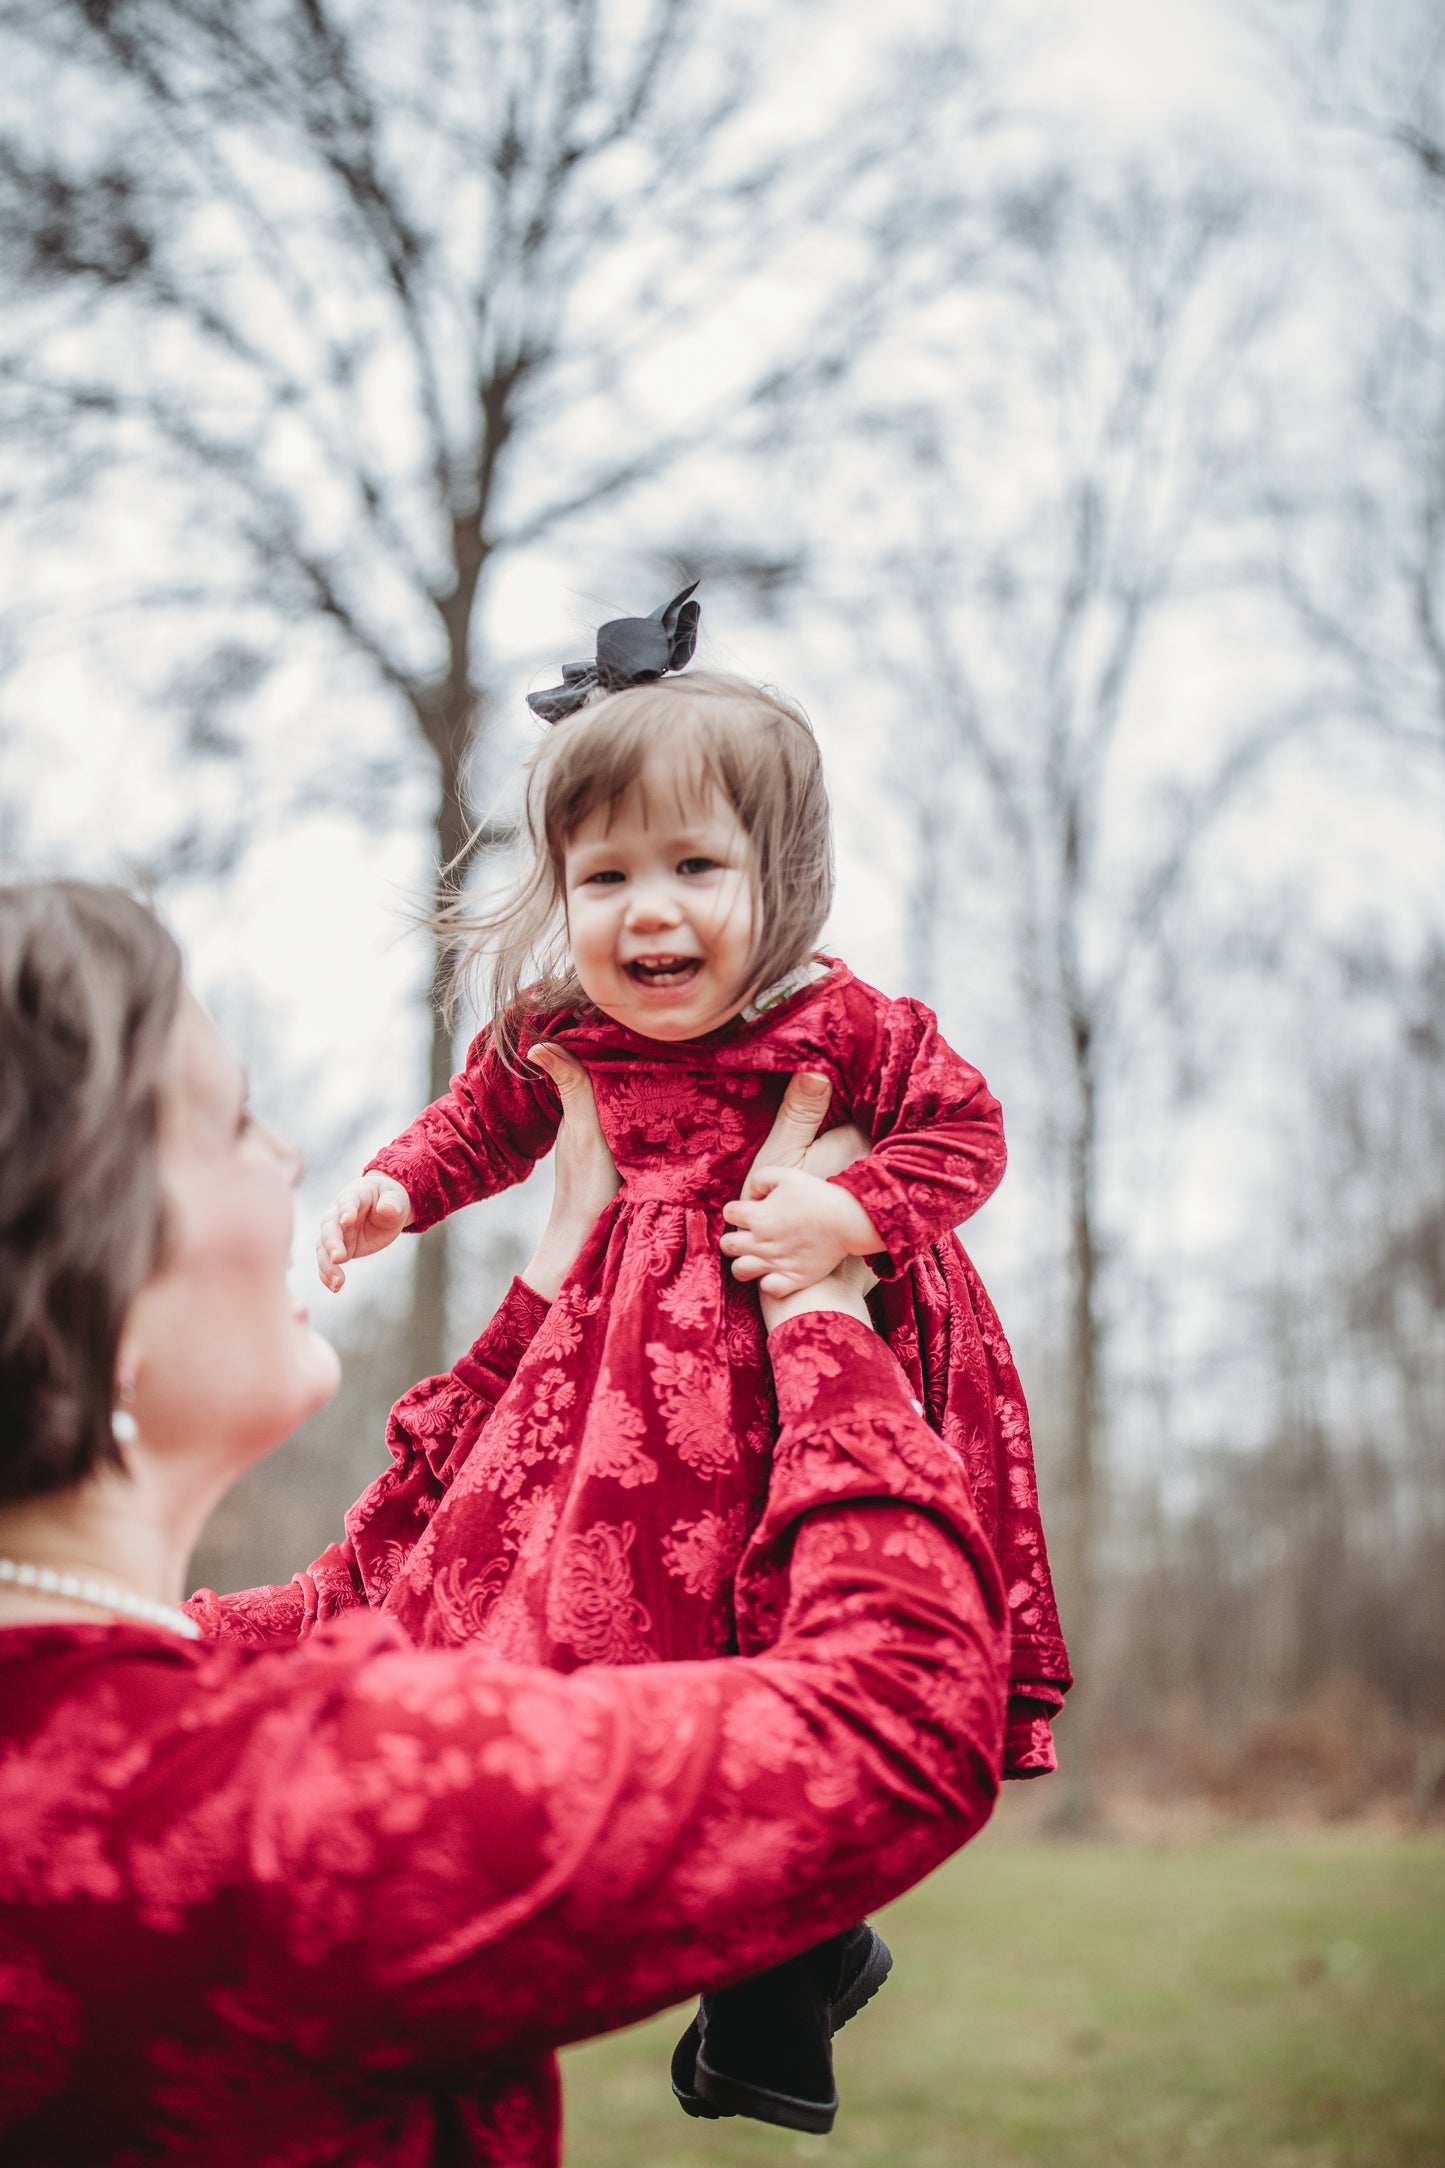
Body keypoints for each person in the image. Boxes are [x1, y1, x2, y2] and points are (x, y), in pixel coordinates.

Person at [0, 878, 1011, 2167]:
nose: (289, 1157)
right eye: (237, 1122)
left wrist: (551, 1283)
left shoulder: (112, 1702)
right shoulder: (307, 1810)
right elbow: (902, 1722)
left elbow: (374, 1592)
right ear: (94, 1280)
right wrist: (820, 1312)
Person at [314, 589, 1071, 2131]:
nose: (644, 913)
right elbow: (481, 1122)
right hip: (631, 1409)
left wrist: (848, 1213)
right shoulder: (569, 1034)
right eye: (602, 877)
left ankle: (782, 1977)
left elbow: (966, 1132)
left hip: (808, 1370)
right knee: (635, 1656)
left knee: (795, 1636)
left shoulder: (844, 1027)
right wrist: (398, 1189)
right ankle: (785, 1969)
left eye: (692, 868)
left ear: (780, 877)